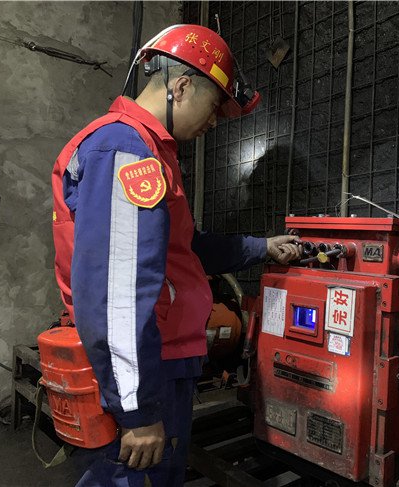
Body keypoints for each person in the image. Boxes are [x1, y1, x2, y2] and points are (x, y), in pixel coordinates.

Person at [50, 24, 301, 486]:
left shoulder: (150, 152)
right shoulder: (124, 150)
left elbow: (185, 250)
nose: (213, 123)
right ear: (181, 87)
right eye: (214, 107)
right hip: (149, 369)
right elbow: (115, 296)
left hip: (161, 361)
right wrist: (138, 412)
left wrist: (263, 247)